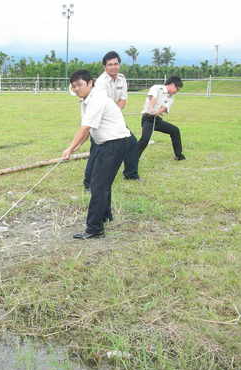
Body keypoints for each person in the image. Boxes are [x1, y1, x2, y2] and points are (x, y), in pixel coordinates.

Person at [62, 70, 138, 239]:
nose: (76, 89)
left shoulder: (97, 99)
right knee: (101, 182)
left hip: (115, 143)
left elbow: (85, 128)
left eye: (80, 85)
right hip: (103, 143)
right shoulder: (86, 101)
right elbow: (88, 130)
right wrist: (74, 148)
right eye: (73, 86)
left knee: (98, 185)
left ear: (90, 83)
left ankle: (94, 229)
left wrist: (69, 148)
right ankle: (105, 215)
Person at [83, 50, 140, 190]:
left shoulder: (122, 79)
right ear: (105, 67)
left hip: (115, 118)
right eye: (110, 64)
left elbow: (123, 100)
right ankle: (88, 183)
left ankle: (130, 173)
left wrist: (115, 114)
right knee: (96, 149)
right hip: (100, 119)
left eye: (116, 64)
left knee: (131, 142)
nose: (114, 67)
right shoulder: (101, 83)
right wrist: (112, 114)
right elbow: (102, 105)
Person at [137, 76, 185, 160]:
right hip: (147, 119)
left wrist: (157, 112)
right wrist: (151, 109)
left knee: (175, 130)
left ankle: (179, 155)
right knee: (144, 140)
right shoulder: (157, 88)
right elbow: (153, 98)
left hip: (157, 120)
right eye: (177, 89)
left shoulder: (171, 97)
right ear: (172, 85)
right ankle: (132, 157)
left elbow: (165, 108)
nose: (177, 92)